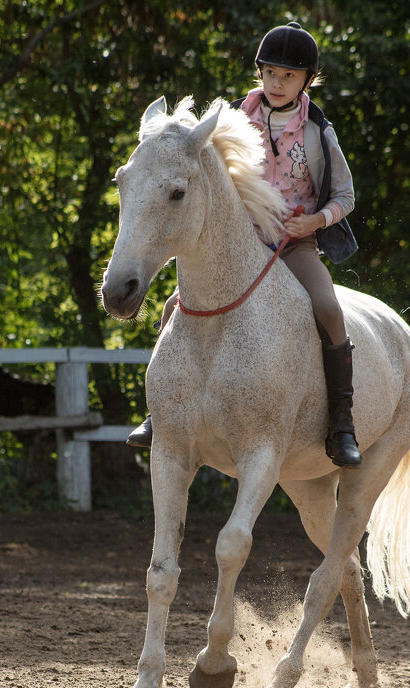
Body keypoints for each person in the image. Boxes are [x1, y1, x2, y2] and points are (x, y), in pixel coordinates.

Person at [127, 21, 361, 468]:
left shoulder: (317, 132)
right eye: (270, 72)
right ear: (259, 72)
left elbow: (346, 197)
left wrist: (314, 219)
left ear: (306, 80)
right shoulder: (231, 119)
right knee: (172, 308)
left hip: (290, 247)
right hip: (234, 246)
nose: (277, 82)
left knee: (329, 310)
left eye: (288, 76)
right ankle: (161, 413)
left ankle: (341, 422)